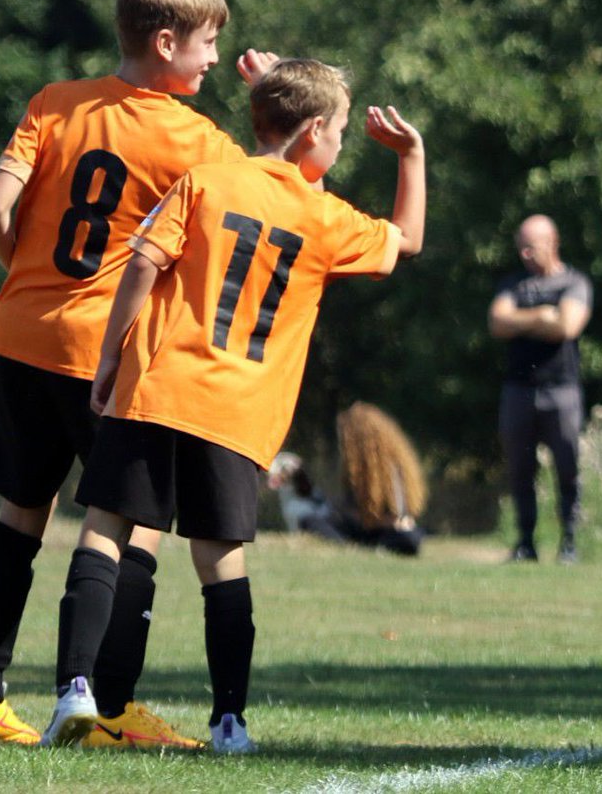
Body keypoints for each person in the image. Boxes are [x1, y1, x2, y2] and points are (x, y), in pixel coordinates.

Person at [39, 58, 426, 754]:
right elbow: (407, 240)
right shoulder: (323, 215)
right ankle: (229, 721)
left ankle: (75, 690)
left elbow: (143, 262)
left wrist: (109, 356)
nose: (340, 142)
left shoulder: (208, 178)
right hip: (238, 415)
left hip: (156, 390)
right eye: (338, 131)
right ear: (313, 133)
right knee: (221, 564)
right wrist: (412, 158)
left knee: (104, 531)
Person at [0, 0, 278, 749]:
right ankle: (107, 709)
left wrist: (28, 278)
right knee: (133, 528)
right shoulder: (199, 142)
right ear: (166, 42)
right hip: (110, 354)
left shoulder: (55, 103)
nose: (211, 60)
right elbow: (275, 193)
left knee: (20, 516)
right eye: (206, 45)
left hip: (21, 334)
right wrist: (269, 96)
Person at [488, 215, 592, 563]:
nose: (526, 254)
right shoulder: (512, 284)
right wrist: (542, 316)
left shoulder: (575, 282)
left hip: (562, 390)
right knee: (520, 469)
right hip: (519, 390)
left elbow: (567, 326)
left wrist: (526, 319)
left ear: (553, 242)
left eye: (532, 246)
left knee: (567, 467)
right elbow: (498, 322)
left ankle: (570, 541)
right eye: (521, 247)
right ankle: (526, 541)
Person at [266, 402, 428, 556]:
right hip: (366, 529)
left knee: (408, 539)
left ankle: (353, 546)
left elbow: (393, 518)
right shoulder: (359, 473)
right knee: (312, 520)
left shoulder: (391, 471)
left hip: (385, 532)